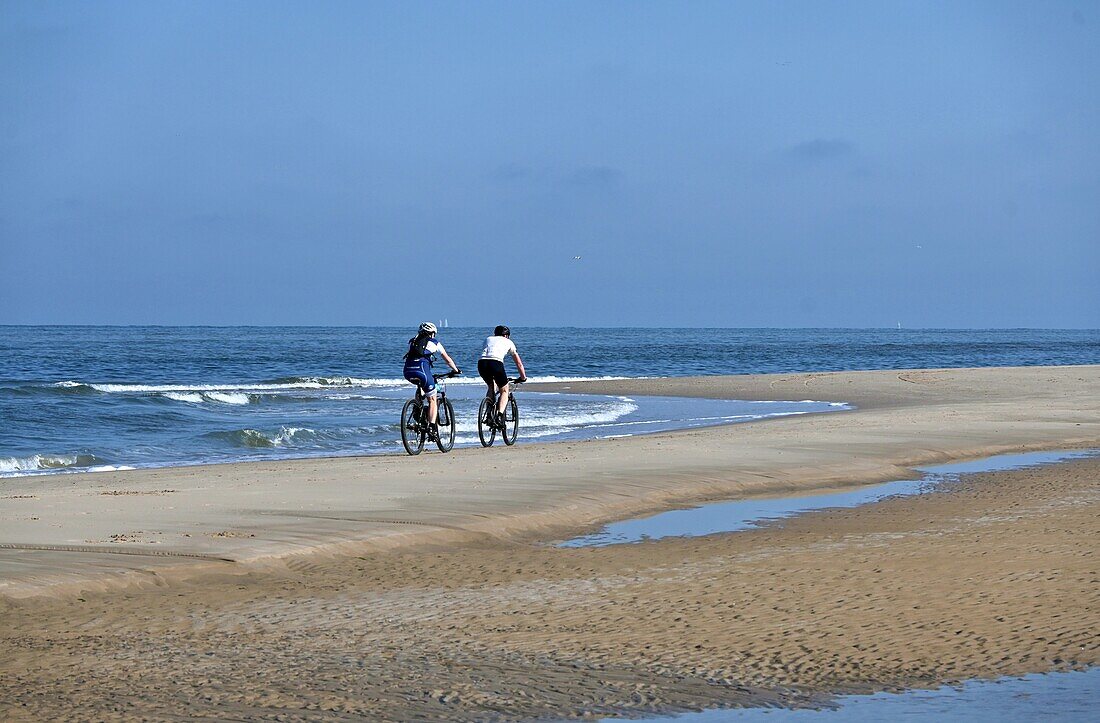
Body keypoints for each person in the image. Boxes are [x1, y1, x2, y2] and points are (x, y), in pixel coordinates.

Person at [403, 322, 460, 439]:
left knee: (420, 387)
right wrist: (456, 370)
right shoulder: (434, 343)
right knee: (432, 399)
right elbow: (447, 359)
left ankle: (417, 408)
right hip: (422, 372)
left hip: (408, 372)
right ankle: (432, 427)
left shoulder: (411, 341)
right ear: (432, 333)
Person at [477, 325, 527, 427]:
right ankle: (499, 416)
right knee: (504, 390)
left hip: (482, 364)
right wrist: (523, 378)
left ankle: (489, 415)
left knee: (491, 386)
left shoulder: (488, 339)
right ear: (507, 335)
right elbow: (519, 364)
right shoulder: (509, 342)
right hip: (496, 363)